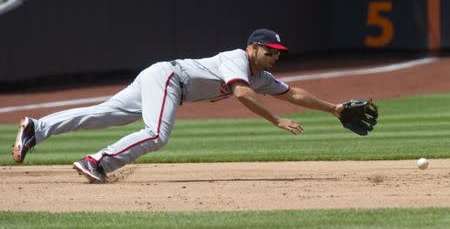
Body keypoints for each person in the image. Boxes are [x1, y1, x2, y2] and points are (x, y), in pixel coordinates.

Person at [12, 28, 344, 183]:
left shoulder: (262, 78)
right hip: (170, 78)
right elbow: (241, 94)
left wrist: (335, 109)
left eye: (278, 52)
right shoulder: (236, 59)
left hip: (164, 77)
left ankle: (36, 128)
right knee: (158, 134)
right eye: (269, 50)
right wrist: (275, 120)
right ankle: (97, 162)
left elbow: (294, 93)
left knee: (103, 115)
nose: (275, 55)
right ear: (253, 48)